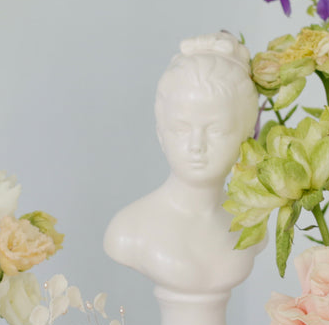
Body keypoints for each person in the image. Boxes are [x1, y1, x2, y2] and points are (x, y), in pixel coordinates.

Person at [104, 33, 262, 297]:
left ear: (247, 134)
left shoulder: (253, 224)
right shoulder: (129, 229)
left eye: (216, 130)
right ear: (160, 132)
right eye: (180, 128)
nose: (196, 145)